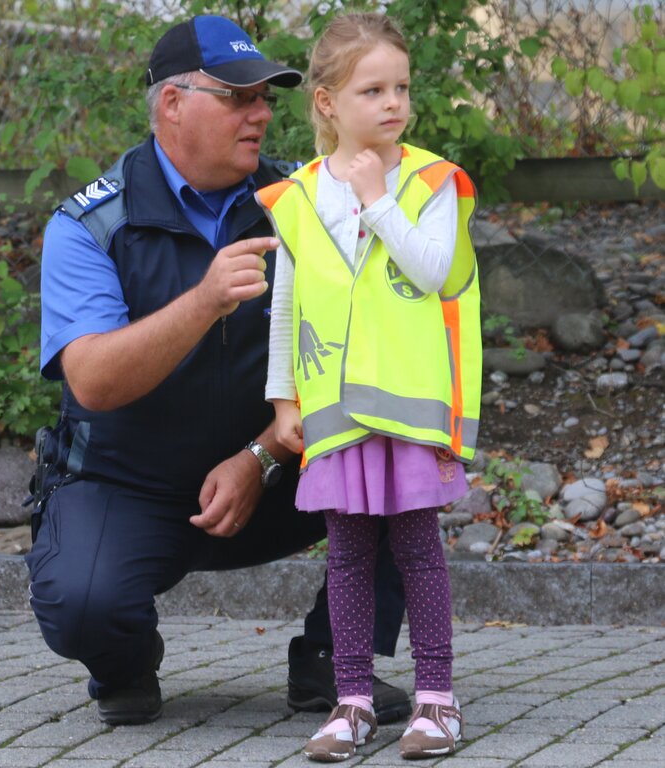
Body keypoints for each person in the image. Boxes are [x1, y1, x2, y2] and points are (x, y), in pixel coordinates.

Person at [25, 14, 412, 729]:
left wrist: (261, 455)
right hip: (131, 488)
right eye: (237, 97)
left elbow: (371, 355)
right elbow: (93, 382)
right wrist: (203, 300)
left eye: (265, 97)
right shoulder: (89, 227)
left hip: (270, 475)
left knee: (399, 439)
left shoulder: (305, 205)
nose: (261, 112)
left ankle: (336, 660)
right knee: (82, 605)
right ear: (172, 104)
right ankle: (126, 659)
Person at [256, 12, 482, 762]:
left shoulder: (429, 182)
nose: (393, 103)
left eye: (402, 87)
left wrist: (378, 195)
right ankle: (352, 700)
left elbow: (433, 270)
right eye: (373, 89)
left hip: (409, 409)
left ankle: (437, 702)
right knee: (347, 554)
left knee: (417, 549)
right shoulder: (299, 194)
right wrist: (283, 398)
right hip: (336, 411)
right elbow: (287, 304)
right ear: (326, 102)